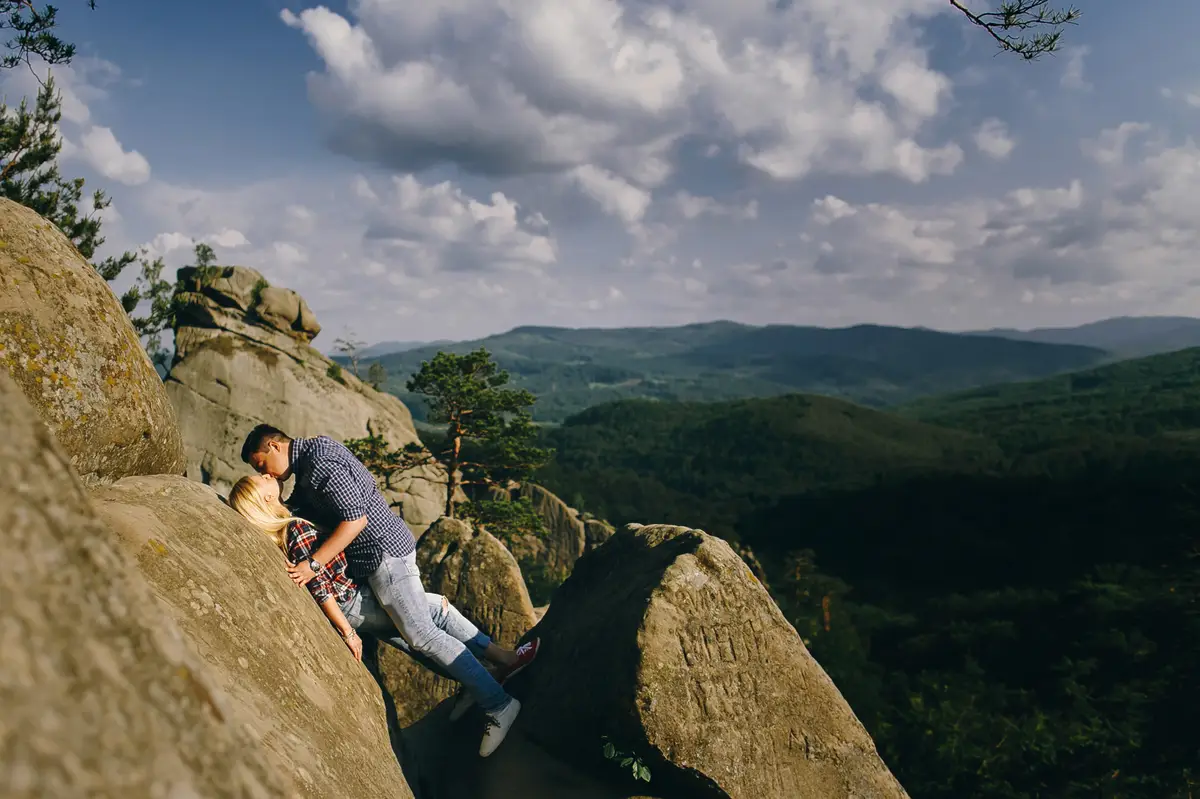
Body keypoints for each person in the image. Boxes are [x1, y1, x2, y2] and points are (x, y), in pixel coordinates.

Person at [239, 424, 536, 757]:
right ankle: (490, 671)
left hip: (383, 556)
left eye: (261, 465)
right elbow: (303, 506)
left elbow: (355, 521)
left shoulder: (319, 464)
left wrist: (313, 565)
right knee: (426, 619)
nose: (267, 475)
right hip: (379, 558)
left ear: (275, 446)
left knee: (422, 635)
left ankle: (499, 705)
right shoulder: (314, 456)